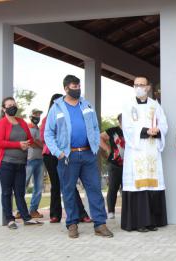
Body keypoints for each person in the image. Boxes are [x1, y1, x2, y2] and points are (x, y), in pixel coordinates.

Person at [45, 75, 112, 238]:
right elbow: (48, 133)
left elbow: (95, 128)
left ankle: (100, 224)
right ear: (66, 88)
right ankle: (72, 224)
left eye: (79, 86)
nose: (77, 89)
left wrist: (95, 145)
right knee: (68, 191)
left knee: (95, 189)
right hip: (68, 156)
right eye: (74, 86)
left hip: (88, 154)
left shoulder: (86, 105)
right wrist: (57, 152)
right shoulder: (57, 108)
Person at [121, 76, 168, 232]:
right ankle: (138, 222)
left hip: (152, 149)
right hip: (136, 151)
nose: (139, 87)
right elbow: (127, 128)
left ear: (148, 87)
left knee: (152, 186)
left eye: (142, 85)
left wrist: (158, 130)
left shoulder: (156, 106)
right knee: (138, 186)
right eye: (136, 85)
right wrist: (145, 131)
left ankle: (151, 221)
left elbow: (163, 124)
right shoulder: (128, 106)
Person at [41, 93, 92, 224]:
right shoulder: (47, 119)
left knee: (70, 185)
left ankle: (81, 213)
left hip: (68, 154)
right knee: (56, 185)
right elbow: (44, 137)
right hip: (51, 155)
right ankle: (55, 215)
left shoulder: (69, 115)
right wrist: (58, 149)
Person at [0, 97, 43, 229]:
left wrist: (28, 143)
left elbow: (30, 138)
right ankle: (10, 220)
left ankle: (26, 217)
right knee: (6, 192)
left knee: (20, 191)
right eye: (9, 105)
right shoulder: (1, 123)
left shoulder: (21, 122)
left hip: (21, 163)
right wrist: (18, 145)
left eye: (14, 104)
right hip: (5, 163)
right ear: (3, 109)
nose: (12, 107)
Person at [100, 113, 125, 220]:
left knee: (126, 188)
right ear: (119, 121)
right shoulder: (113, 130)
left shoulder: (132, 130)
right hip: (114, 164)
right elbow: (99, 137)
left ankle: (127, 210)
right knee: (113, 188)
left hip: (129, 165)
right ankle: (111, 211)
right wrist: (107, 148)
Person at [24, 108, 44, 218]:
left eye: (39, 114)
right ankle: (20, 210)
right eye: (35, 114)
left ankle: (33, 210)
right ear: (30, 116)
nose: (37, 116)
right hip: (29, 159)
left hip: (40, 159)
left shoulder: (39, 129)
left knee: (39, 186)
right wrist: (42, 146)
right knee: (24, 184)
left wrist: (38, 143)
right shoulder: (27, 128)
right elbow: (31, 142)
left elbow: (37, 141)